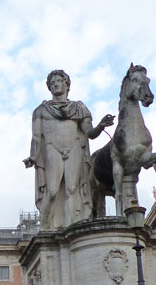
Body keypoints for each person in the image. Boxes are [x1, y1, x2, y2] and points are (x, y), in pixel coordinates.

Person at [24, 69, 114, 229]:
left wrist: (100, 126)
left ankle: (69, 227)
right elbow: (36, 137)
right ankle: (45, 227)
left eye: (58, 81)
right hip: (53, 149)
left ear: (67, 84)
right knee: (52, 191)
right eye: (52, 83)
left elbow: (90, 133)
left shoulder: (78, 108)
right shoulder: (41, 110)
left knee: (72, 189)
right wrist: (33, 157)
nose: (55, 85)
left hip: (74, 149)